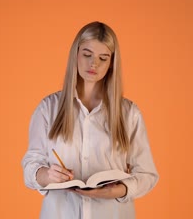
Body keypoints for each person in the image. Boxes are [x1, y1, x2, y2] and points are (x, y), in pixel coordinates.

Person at [21, 21, 158, 218]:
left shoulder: (129, 114)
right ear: (75, 54)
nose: (94, 64)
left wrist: (118, 191)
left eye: (103, 58)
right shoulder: (48, 108)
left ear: (112, 63)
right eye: (87, 54)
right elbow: (30, 166)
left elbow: (147, 175)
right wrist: (47, 175)